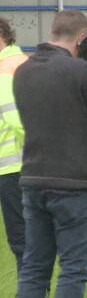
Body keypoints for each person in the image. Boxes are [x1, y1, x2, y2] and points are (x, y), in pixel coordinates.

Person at [12, 10, 87, 298]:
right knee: (73, 265)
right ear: (82, 38)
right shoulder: (80, 72)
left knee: (34, 263)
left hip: (33, 182)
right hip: (74, 185)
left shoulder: (23, 72)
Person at [0, 18, 28, 271]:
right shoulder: (25, 61)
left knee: (21, 238)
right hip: (29, 163)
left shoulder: (4, 69)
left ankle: (33, 292)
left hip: (12, 165)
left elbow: (13, 117)